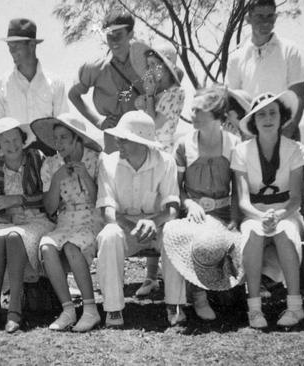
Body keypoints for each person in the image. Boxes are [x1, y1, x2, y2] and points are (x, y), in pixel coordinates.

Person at [162, 86, 243, 323]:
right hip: (193, 214)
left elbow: (238, 189)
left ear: (215, 113)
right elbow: (176, 188)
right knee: (197, 239)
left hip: (224, 213)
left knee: (230, 296)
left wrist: (236, 220)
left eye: (199, 110)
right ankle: (198, 297)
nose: (192, 114)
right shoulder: (184, 145)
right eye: (193, 109)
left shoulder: (233, 143)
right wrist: (189, 204)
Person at [95, 111, 183, 327]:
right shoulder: (107, 163)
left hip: (157, 226)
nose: (118, 142)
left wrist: (153, 222)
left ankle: (175, 305)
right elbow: (107, 212)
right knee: (109, 235)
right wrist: (134, 226)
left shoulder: (166, 162)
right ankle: (113, 309)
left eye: (124, 139)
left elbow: (172, 209)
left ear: (141, 142)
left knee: (174, 231)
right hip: (124, 227)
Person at [231, 91, 304, 328]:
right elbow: (242, 200)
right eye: (261, 114)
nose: (267, 118)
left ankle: (295, 307)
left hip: (287, 212)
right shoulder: (241, 151)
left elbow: (295, 199)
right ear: (253, 121)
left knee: (285, 232)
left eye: (273, 113)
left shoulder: (295, 149)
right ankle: (254, 309)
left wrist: (279, 215)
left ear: (281, 117)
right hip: (255, 213)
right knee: (252, 232)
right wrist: (262, 216)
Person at [30, 114, 104, 332]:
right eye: (56, 139)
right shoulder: (50, 165)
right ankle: (68, 310)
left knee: (72, 246)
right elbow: (51, 208)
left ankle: (90, 310)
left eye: (64, 138)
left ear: (77, 139)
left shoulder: (96, 160)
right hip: (64, 222)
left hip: (91, 218)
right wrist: (56, 180)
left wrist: (86, 178)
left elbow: (100, 200)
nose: (58, 144)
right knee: (47, 246)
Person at [0, 117, 56, 333]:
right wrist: (8, 219)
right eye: (6, 142)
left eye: (15, 139)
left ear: (23, 140)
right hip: (9, 222)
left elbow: (47, 197)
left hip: (38, 219)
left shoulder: (36, 159)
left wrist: (16, 200)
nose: (12, 146)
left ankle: (14, 309)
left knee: (15, 237)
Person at [132, 42, 186, 297]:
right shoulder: (151, 94)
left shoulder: (176, 93)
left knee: (165, 214)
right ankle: (151, 276)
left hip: (164, 157)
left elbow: (154, 126)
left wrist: (150, 97)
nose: (152, 71)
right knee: (148, 210)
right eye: (149, 66)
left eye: (157, 66)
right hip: (147, 155)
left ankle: (172, 278)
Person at [226, 0, 304, 141]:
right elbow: (232, 102)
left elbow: (299, 96)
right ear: (248, 19)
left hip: (286, 133)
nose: (266, 22)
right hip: (251, 136)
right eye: (259, 16)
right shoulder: (236, 57)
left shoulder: (290, 50)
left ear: (275, 18)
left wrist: (287, 133)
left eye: (270, 16)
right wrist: (245, 134)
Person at [68, 9, 148, 151]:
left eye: (119, 35)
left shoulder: (146, 62)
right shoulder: (96, 68)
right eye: (110, 36)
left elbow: (171, 80)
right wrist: (99, 122)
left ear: (131, 34)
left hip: (142, 135)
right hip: (114, 139)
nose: (114, 41)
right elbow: (73, 95)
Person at [0, 18, 68, 157]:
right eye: (10, 47)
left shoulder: (56, 83)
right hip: (15, 159)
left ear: (32, 45)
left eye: (16, 46)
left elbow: (63, 127)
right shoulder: (0, 86)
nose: (11, 52)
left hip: (50, 159)